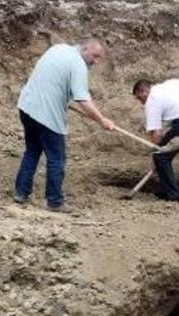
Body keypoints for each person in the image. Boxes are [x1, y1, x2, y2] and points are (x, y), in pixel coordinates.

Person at [14, 38, 115, 212]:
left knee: (32, 151)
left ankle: (21, 193)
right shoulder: (78, 65)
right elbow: (83, 99)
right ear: (85, 49)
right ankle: (54, 201)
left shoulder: (59, 48)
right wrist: (102, 120)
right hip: (46, 114)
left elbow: (51, 78)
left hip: (27, 106)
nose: (95, 61)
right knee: (56, 158)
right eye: (95, 56)